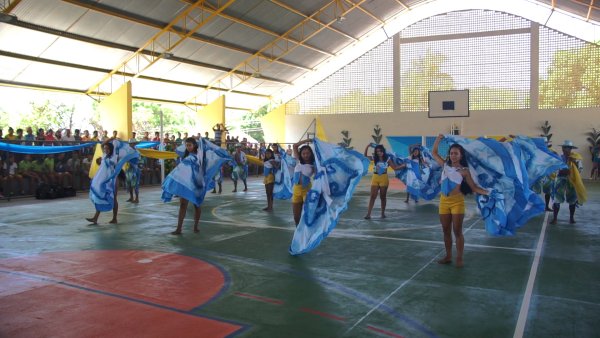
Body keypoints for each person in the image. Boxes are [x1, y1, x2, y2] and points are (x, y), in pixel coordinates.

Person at [433, 134, 489, 268]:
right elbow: (434, 152)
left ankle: (459, 257)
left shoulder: (465, 171)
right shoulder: (444, 165)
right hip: (443, 202)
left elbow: (474, 188)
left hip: (457, 202)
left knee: (457, 231)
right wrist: (438, 139)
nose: (453, 155)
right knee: (445, 230)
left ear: (461, 155)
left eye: (456, 153)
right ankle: (448, 256)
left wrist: (488, 192)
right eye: (451, 153)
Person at [163, 137, 202, 235]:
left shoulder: (199, 155)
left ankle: (196, 226)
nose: (188, 147)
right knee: (183, 205)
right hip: (185, 183)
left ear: (194, 145)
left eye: (190, 145)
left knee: (197, 205)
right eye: (187, 145)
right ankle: (179, 228)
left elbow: (201, 168)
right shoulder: (185, 157)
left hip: (195, 183)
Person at [363, 143, 403, 219]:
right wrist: (367, 146)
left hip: (384, 179)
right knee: (372, 196)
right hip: (375, 178)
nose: (379, 153)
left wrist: (403, 165)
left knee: (383, 197)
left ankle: (382, 214)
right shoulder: (375, 158)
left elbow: (395, 168)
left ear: (383, 151)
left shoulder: (387, 159)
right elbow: (365, 156)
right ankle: (368, 214)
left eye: (380, 151)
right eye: (377, 151)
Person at [551, 140, 585, 225]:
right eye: (565, 148)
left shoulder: (576, 158)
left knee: (572, 199)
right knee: (557, 199)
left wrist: (573, 162)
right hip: (560, 180)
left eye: (568, 148)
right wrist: (561, 171)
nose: (566, 149)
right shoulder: (559, 158)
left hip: (571, 181)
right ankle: (555, 218)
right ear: (562, 149)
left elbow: (580, 169)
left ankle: (571, 218)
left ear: (571, 149)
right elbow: (555, 169)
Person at [86, 142, 119, 225]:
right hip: (102, 180)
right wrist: (110, 139)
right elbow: (101, 145)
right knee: (100, 197)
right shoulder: (104, 155)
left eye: (107, 148)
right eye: (105, 148)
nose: (105, 150)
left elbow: (112, 165)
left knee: (113, 198)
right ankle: (95, 218)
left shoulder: (114, 157)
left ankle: (114, 218)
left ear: (111, 149)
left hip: (111, 180)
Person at [292, 139, 315, 225]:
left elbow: (319, 176)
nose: (306, 155)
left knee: (308, 214)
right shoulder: (298, 160)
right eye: (303, 153)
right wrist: (308, 140)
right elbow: (295, 146)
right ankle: (298, 234)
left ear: (311, 154)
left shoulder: (314, 164)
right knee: (296, 217)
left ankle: (307, 233)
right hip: (296, 190)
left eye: (308, 153)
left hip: (307, 190)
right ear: (300, 155)